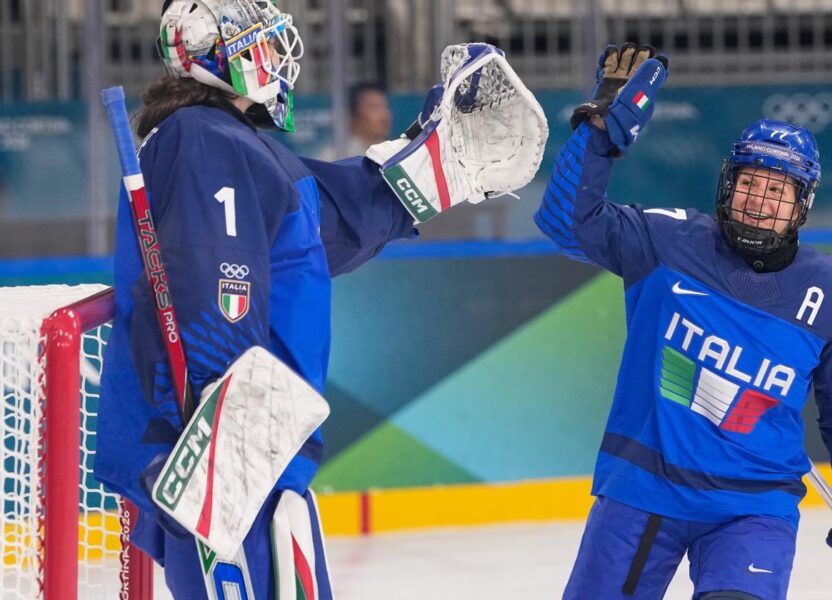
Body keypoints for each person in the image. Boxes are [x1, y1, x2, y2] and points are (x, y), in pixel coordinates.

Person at [94, 2, 524, 598]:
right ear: (219, 50)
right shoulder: (203, 139)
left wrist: (424, 164)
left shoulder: (235, 144)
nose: (278, 45)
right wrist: (223, 461)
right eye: (258, 33)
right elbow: (220, 299)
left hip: (252, 459)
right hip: (225, 467)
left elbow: (321, 223)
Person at [535, 43, 832, 600]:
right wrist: (599, 130)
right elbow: (565, 222)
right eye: (750, 182)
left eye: (777, 190)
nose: (759, 201)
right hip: (642, 490)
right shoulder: (666, 241)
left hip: (753, 508)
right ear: (726, 185)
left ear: (802, 204)